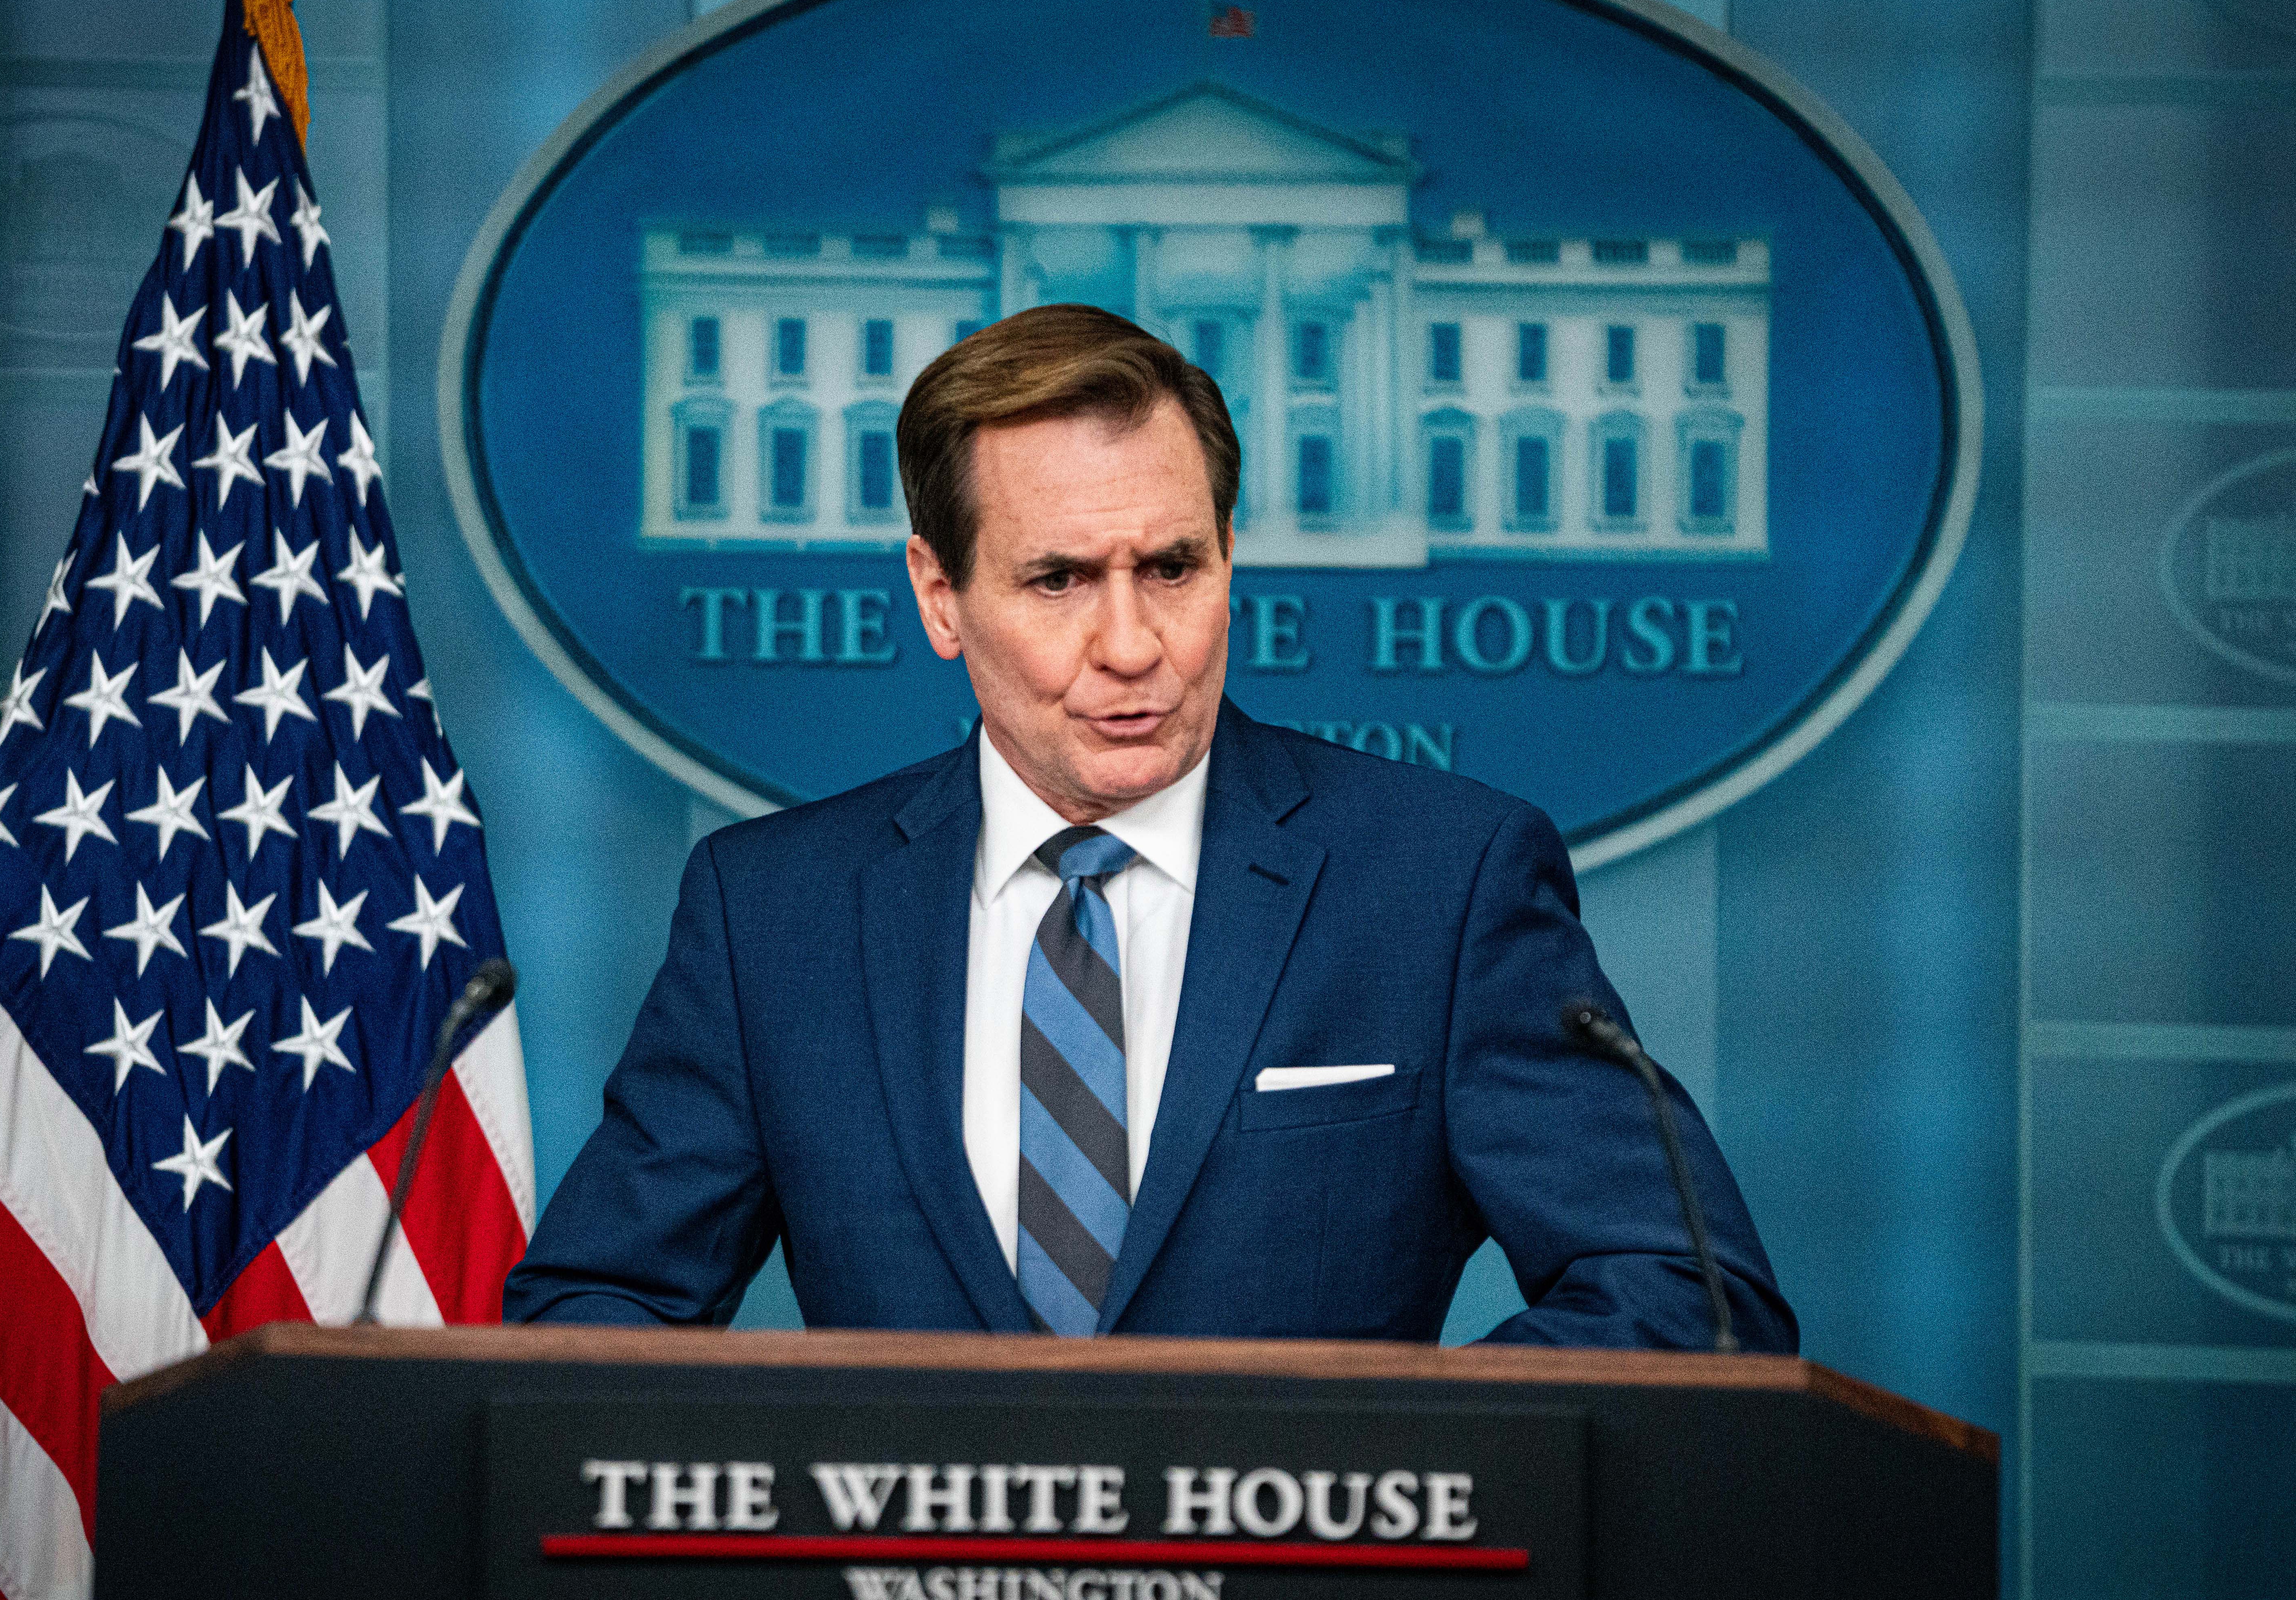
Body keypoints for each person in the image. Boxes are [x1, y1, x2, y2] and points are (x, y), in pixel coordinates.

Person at [502, 304, 1794, 1347]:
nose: (1132, 646)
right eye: (1059, 581)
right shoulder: (771, 915)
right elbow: (593, 1313)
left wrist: (1389, 1465)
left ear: (1231, 557)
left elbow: (1691, 1296)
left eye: (1172, 569)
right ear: (940, 595)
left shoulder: (1439, 883)